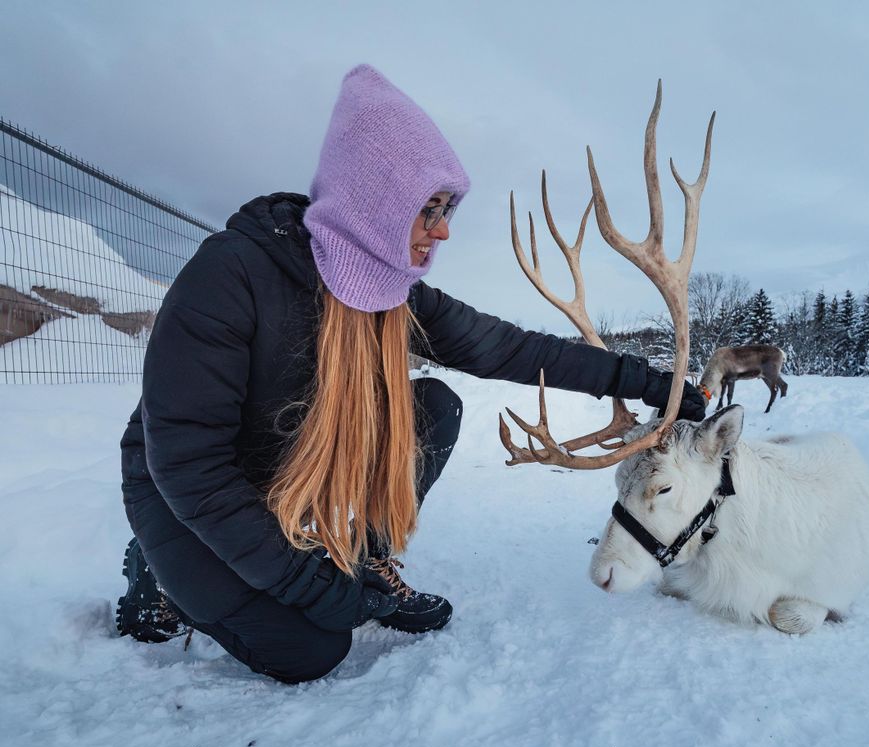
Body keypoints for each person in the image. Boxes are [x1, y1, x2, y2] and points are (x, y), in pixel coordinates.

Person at [116, 64, 706, 684]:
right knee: (310, 650)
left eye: (447, 209)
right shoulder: (232, 277)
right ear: (378, 203)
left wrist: (643, 381)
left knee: (433, 406)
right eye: (430, 209)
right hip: (182, 494)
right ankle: (156, 576)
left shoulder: (393, 295)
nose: (445, 229)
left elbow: (508, 347)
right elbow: (189, 465)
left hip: (280, 478)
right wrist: (305, 585)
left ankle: (364, 560)